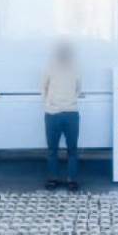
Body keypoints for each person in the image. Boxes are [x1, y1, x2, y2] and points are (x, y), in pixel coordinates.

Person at [41, 42, 81, 192]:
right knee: (69, 150)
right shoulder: (73, 69)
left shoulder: (71, 68)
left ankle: (55, 179)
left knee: (55, 150)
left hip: (55, 114)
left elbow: (43, 88)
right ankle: (70, 180)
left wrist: (50, 103)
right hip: (69, 113)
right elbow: (78, 89)